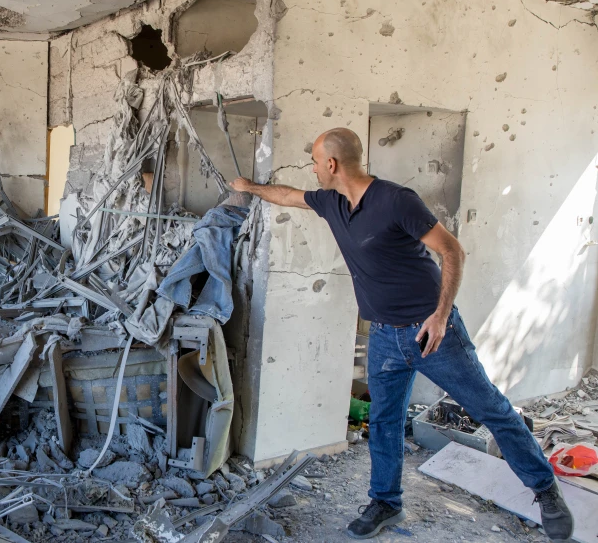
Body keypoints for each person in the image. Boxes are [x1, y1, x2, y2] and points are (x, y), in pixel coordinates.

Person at [230, 128, 574, 541]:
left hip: (432, 333)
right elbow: (287, 195)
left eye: (316, 162)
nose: (313, 169)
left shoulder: (396, 200)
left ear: (333, 165)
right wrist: (248, 187)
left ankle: (545, 489)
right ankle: (386, 502)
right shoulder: (332, 203)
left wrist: (442, 317)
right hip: (384, 337)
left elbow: (452, 251)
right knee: (384, 421)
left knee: (493, 411)